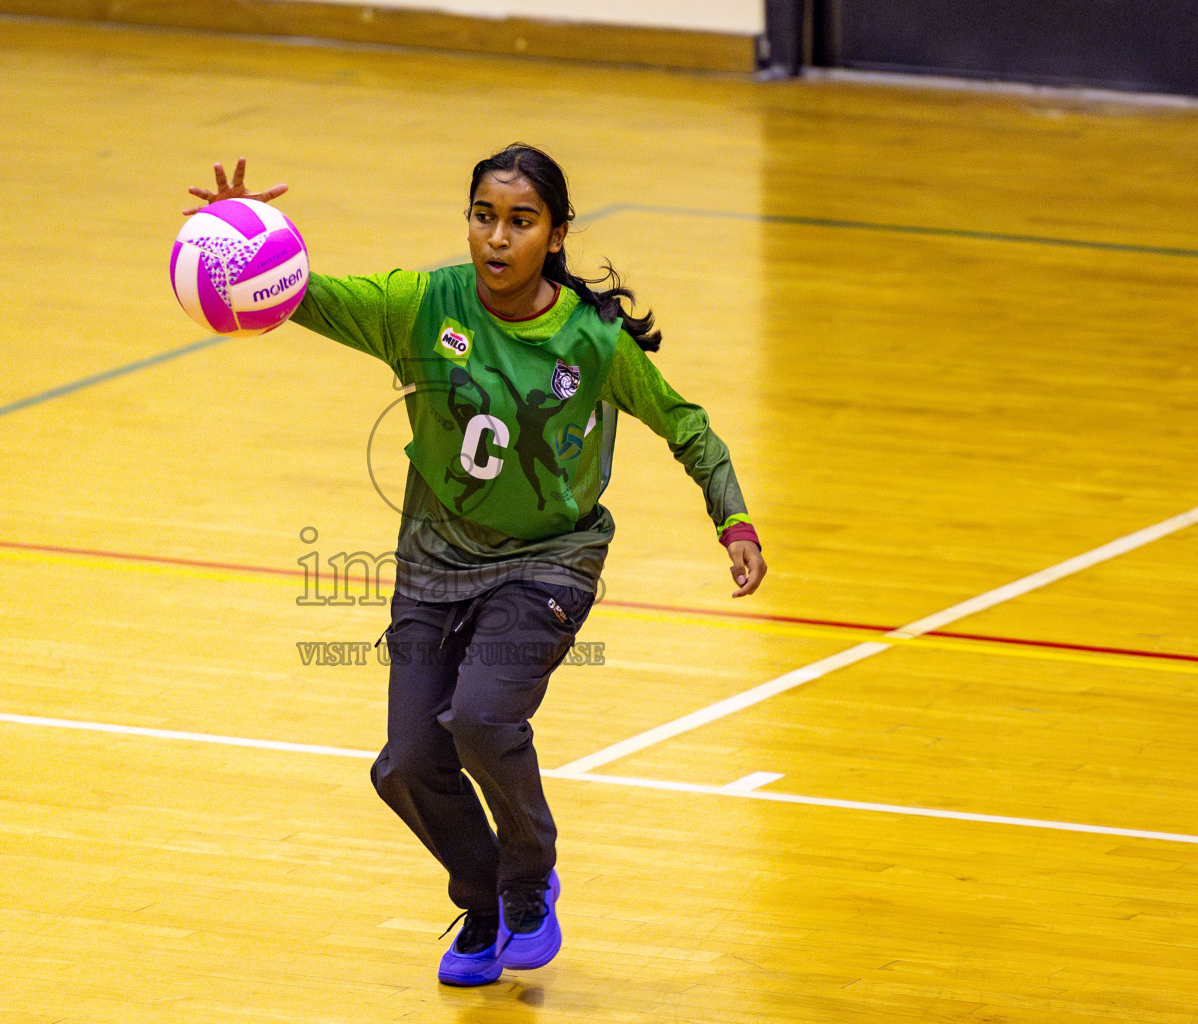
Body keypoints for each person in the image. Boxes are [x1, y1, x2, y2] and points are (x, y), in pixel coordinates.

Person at [184, 145, 767, 987]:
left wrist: (734, 517)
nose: (497, 238)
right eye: (483, 217)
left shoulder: (593, 340)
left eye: (520, 222)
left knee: (484, 719)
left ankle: (530, 882)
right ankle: (483, 896)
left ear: (557, 235)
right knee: (406, 764)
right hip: (433, 562)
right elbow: (298, 294)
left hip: (548, 562)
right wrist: (234, 242)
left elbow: (687, 425)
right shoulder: (423, 305)